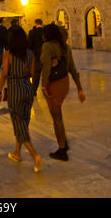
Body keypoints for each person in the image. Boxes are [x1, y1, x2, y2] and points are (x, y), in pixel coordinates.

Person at [0, 26, 42, 172]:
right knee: (23, 122)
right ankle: (17, 152)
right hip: (28, 88)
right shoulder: (30, 53)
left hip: (15, 89)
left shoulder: (8, 54)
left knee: (18, 122)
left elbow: (4, 74)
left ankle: (35, 155)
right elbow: (32, 72)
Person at [40, 24, 86, 161]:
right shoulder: (65, 47)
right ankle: (63, 143)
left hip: (53, 85)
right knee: (58, 114)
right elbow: (72, 68)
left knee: (56, 117)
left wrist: (43, 87)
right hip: (64, 82)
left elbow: (46, 68)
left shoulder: (47, 46)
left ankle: (62, 149)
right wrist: (79, 88)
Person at [28, 19, 44, 96]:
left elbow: (29, 44)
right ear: (42, 23)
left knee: (36, 74)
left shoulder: (32, 32)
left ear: (35, 23)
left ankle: (34, 90)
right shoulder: (46, 31)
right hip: (45, 55)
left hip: (36, 56)